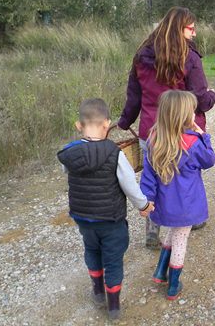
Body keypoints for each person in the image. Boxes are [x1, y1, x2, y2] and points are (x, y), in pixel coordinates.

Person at [118, 7, 215, 248]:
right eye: (191, 28)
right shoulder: (189, 57)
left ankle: (152, 229)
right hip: (185, 134)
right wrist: (212, 95)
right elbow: (200, 99)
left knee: (152, 178)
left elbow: (134, 97)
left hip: (151, 131)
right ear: (179, 29)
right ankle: (187, 218)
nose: (194, 33)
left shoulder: (141, 56)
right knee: (185, 177)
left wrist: (125, 122)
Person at [57, 98, 154, 320]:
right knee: (113, 259)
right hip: (111, 219)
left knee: (92, 250)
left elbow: (66, 169)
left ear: (79, 125)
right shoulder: (114, 153)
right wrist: (143, 205)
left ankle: (98, 292)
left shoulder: (70, 153)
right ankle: (114, 306)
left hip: (83, 217)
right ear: (107, 124)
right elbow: (129, 185)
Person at [140, 90, 215, 301]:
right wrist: (203, 135)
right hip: (186, 205)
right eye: (192, 111)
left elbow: (147, 175)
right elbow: (210, 160)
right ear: (183, 116)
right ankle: (174, 285)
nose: (194, 115)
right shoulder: (193, 142)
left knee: (174, 232)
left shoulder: (154, 139)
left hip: (165, 204)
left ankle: (160, 271)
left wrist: (147, 200)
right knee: (180, 240)